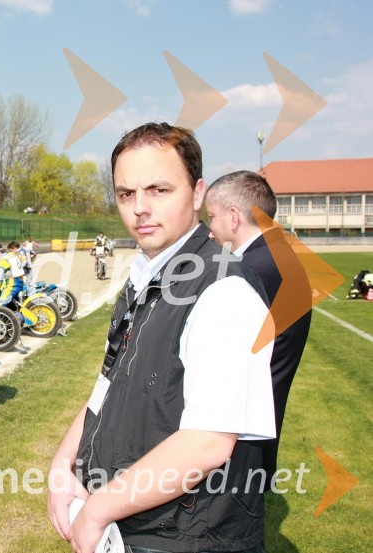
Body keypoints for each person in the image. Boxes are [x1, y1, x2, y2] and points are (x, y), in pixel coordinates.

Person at [47, 122, 275, 553]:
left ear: (197, 193)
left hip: (186, 537)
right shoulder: (145, 277)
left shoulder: (224, 289)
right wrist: (63, 465)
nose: (140, 208)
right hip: (129, 525)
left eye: (159, 190)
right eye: (126, 194)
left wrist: (97, 511)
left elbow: (207, 443)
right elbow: (107, 385)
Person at [205, 170, 312, 482]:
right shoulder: (275, 254)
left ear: (233, 217)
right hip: (255, 432)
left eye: (212, 217)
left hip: (238, 439)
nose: (210, 230)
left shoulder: (252, 268)